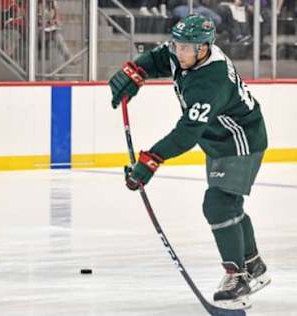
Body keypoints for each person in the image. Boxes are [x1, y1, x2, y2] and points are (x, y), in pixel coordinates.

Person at [108, 14, 271, 309]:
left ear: (204, 48)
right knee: (229, 204)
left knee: (219, 204)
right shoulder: (185, 53)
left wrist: (150, 160)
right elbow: (159, 58)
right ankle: (253, 265)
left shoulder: (212, 81)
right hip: (219, 140)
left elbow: (186, 133)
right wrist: (135, 71)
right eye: (178, 45)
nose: (179, 52)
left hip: (241, 141)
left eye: (186, 48)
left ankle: (237, 277)